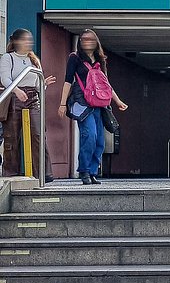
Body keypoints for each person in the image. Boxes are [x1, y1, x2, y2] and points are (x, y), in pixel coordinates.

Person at [58, 28, 128, 185]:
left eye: (91, 39)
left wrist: (117, 101)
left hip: (100, 104)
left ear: (96, 42)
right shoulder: (74, 58)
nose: (87, 42)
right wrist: (62, 103)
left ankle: (92, 171)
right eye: (84, 39)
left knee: (100, 141)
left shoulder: (100, 59)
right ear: (80, 42)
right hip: (82, 103)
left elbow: (106, 84)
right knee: (89, 136)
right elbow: (68, 81)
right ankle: (84, 171)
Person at [0, 29, 55, 182]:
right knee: (12, 137)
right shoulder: (8, 58)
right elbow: (5, 78)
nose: (28, 42)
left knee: (37, 134)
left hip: (32, 98)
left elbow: (38, 84)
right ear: (16, 41)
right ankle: (11, 173)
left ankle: (43, 173)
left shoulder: (34, 60)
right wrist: (16, 90)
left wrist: (45, 85)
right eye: (24, 39)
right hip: (13, 98)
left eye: (29, 39)